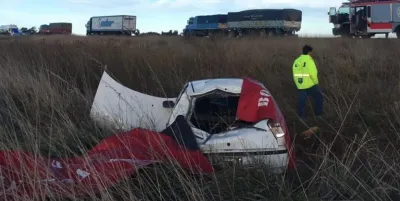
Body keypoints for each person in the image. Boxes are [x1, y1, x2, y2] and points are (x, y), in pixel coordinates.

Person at [292, 45, 323, 119]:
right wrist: (316, 83)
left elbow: (294, 73)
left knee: (302, 100)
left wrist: (298, 83)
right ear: (309, 52)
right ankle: (318, 115)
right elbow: (313, 73)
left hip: (300, 84)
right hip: (310, 84)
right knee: (319, 97)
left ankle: (301, 116)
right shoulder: (309, 60)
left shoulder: (297, 60)